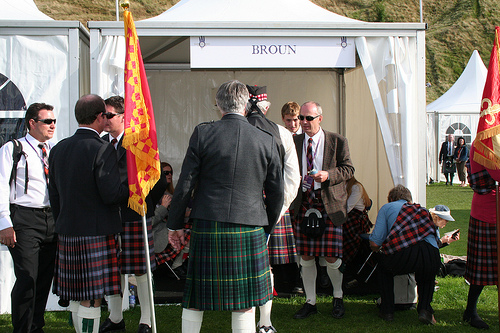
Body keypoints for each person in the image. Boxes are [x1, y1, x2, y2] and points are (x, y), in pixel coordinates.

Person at [167, 80, 284, 333]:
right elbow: (277, 192)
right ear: (246, 105)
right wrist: (267, 226)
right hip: (250, 225)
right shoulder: (267, 138)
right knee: (244, 303)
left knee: (196, 297)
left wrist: (175, 224)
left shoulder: (203, 133)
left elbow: (186, 183)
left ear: (218, 105)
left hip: (208, 223)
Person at [48, 94, 129, 333]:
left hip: (67, 229)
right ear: (99, 117)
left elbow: (54, 196)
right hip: (96, 233)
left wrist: (63, 220)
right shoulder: (102, 149)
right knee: (91, 297)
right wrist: (132, 189)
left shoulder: (58, 149)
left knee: (75, 296)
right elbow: (111, 194)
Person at [99, 96, 166, 333]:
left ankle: (146, 319)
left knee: (141, 270)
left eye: (109, 115)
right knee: (112, 268)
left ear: (123, 116)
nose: (104, 119)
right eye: (103, 115)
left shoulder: (139, 143)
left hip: (135, 214)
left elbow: (158, 179)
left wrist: (143, 203)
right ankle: (115, 318)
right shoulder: (102, 144)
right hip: (108, 217)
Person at [291, 101, 355, 320]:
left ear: (320, 118)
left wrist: (328, 175)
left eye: (309, 118)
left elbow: (348, 169)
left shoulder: (337, 141)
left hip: (328, 202)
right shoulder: (294, 141)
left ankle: (338, 296)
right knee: (306, 256)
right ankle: (310, 301)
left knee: (331, 256)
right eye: (301, 118)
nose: (304, 122)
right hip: (303, 203)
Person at [246, 85, 301, 333]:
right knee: (261, 266)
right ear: (266, 107)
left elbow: (292, 177)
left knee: (254, 265)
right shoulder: (281, 133)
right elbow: (292, 179)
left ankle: (263, 321)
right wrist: (279, 209)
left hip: (249, 207)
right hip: (271, 206)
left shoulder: (237, 129)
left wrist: (278, 209)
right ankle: (261, 322)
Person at [0, 103, 57, 332]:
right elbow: (1, 186)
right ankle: (22, 328)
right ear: (32, 123)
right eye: (47, 121)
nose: (52, 125)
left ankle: (36, 326)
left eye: (54, 121)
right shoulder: (13, 148)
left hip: (51, 218)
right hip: (23, 218)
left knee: (43, 278)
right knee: (27, 277)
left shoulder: (54, 150)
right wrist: (4, 223)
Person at [369, 185, 443, 325]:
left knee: (384, 270)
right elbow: (436, 239)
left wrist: (378, 248)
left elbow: (375, 243)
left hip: (404, 253)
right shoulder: (422, 210)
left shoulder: (387, 208)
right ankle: (425, 309)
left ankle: (387, 310)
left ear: (391, 199)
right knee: (426, 275)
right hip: (431, 254)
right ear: (410, 200)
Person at [462, 143, 498, 329]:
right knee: (480, 270)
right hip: (486, 215)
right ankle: (470, 311)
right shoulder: (481, 144)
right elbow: (484, 179)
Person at [342, 177, 372, 265]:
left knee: (344, 232)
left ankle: (344, 262)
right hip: (349, 217)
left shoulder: (356, 187)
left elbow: (347, 208)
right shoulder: (344, 186)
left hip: (356, 220)